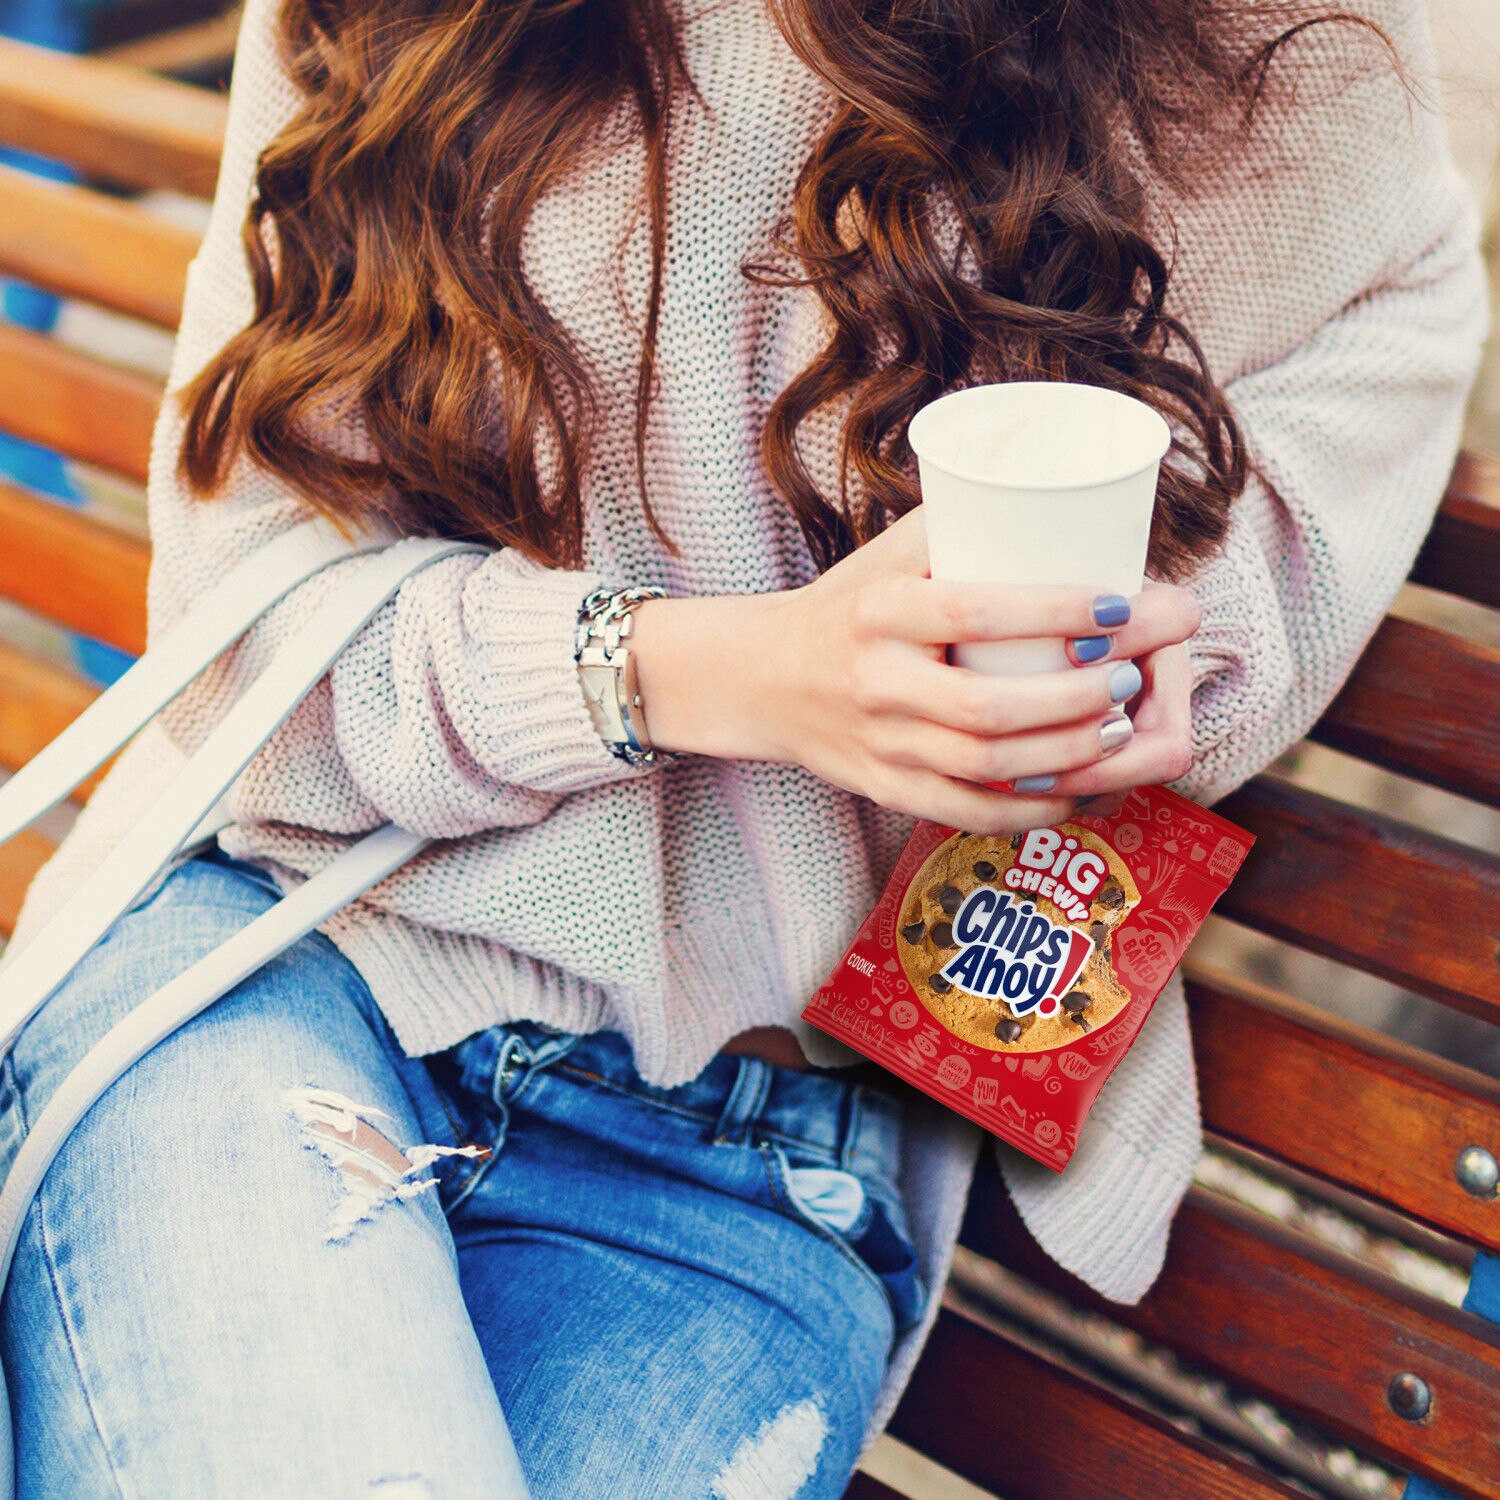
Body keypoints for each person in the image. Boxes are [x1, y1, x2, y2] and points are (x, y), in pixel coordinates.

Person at [0, 0, 1486, 1493]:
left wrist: (1172, 633)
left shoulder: (1227, 33)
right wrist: (726, 674)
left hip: (755, 1152)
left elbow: (1403, 299)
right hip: (285, 973)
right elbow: (245, 620)